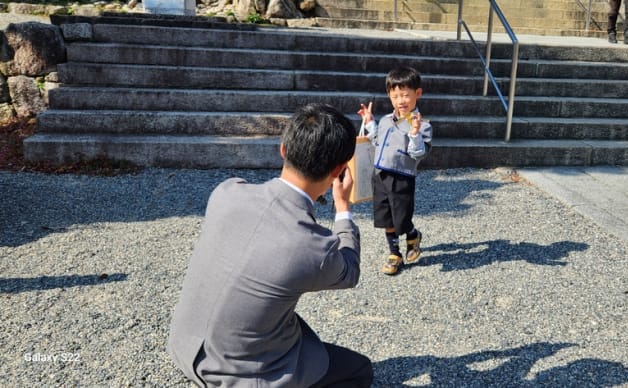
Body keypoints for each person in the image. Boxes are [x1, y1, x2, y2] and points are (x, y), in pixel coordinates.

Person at [167, 103, 373, 387]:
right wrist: (342, 209)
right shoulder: (314, 246)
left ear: (283, 149)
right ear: (339, 169)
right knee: (358, 369)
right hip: (238, 374)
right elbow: (350, 271)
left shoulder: (227, 192)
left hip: (184, 347)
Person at [358, 66, 432, 276]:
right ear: (389, 96)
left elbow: (418, 154)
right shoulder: (385, 121)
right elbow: (376, 140)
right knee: (385, 218)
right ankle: (394, 253)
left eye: (406, 95)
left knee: (401, 217)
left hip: (402, 177)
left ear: (418, 94)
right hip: (380, 175)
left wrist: (415, 133)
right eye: (395, 95)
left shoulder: (423, 125)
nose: (401, 100)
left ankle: (412, 234)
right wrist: (370, 122)